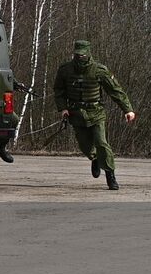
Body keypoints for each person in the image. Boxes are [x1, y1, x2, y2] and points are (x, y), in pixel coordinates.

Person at [53, 40, 136, 191]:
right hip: (76, 113)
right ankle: (95, 158)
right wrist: (63, 108)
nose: (80, 57)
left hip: (96, 113)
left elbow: (115, 91)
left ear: (89, 53)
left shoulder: (99, 70)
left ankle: (110, 175)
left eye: (83, 55)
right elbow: (58, 90)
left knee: (101, 143)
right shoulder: (65, 70)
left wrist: (127, 110)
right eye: (77, 54)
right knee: (84, 145)